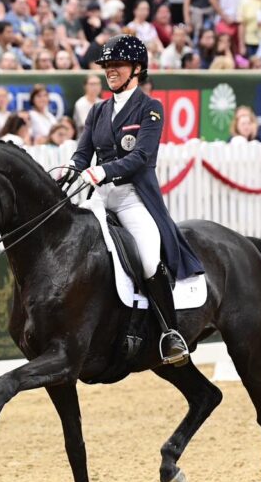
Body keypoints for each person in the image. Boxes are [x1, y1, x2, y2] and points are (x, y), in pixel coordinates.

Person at [66, 34, 203, 366]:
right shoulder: (98, 111)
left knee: (147, 257)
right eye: (107, 66)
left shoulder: (150, 108)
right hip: (100, 198)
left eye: (117, 65)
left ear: (137, 68)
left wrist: (103, 171)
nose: (110, 71)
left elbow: (141, 156)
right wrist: (68, 171)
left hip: (131, 198)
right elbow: (82, 155)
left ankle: (171, 334)